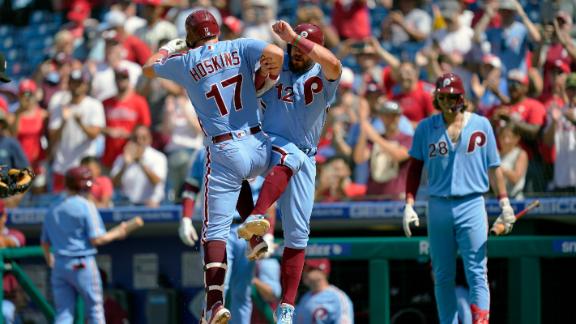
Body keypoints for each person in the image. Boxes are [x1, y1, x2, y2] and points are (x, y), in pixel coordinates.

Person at [142, 9, 284, 323]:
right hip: (260, 144)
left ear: (191, 36)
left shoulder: (186, 61)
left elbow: (148, 67)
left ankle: (214, 303)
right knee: (241, 178)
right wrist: (270, 75)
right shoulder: (241, 45)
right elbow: (275, 53)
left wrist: (170, 47)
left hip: (225, 145)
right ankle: (256, 235)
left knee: (214, 233)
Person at [237, 21, 342, 323]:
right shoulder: (276, 65)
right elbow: (247, 88)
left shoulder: (323, 74)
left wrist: (296, 37)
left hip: (305, 156)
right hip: (268, 143)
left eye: (302, 49)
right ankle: (256, 217)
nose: (296, 52)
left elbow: (334, 62)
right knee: (244, 161)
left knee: (298, 234)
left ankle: (287, 306)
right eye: (293, 47)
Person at [402, 72, 515, 324]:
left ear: (461, 97)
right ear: (436, 98)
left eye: (452, 97)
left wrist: (504, 202)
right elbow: (414, 168)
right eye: (443, 97)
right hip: (438, 204)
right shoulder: (425, 128)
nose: (448, 102)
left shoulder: (482, 124)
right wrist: (409, 203)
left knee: (477, 271)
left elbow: (494, 166)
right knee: (442, 274)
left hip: (473, 202)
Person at [179, 148, 276, 324]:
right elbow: (191, 186)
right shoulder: (206, 150)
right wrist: (186, 217)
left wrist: (268, 234)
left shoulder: (257, 147)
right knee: (217, 289)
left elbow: (268, 197)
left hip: (249, 228)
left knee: (242, 291)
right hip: (218, 228)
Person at [41, 166, 127, 324]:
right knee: (95, 310)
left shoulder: (52, 208)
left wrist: (50, 261)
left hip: (60, 265)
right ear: (83, 185)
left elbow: (45, 243)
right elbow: (97, 239)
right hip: (82, 263)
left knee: (63, 314)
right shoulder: (86, 206)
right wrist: (118, 232)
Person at [294, 258, 354, 324]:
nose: (304, 272)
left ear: (321, 272)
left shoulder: (339, 297)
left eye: (309, 269)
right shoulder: (305, 297)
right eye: (304, 269)